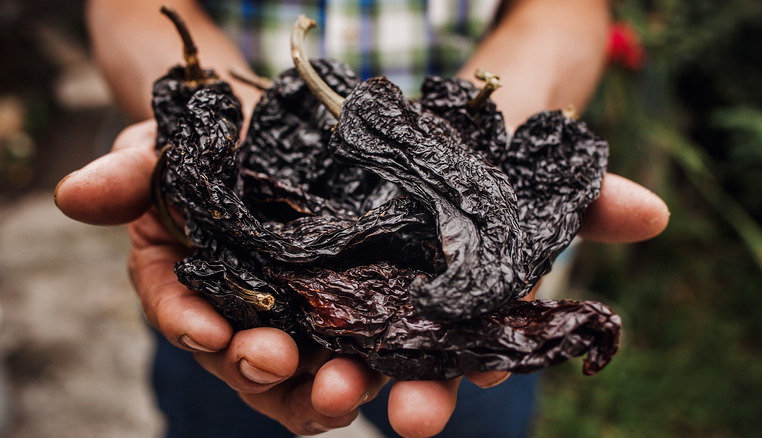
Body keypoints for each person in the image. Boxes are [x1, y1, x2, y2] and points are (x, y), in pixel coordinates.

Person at [55, 0, 670, 437]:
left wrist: (494, 118)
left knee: (468, 386)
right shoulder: (265, 151)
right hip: (233, 336)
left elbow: (569, 9)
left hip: (472, 290)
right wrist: (193, 133)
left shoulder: (424, 150)